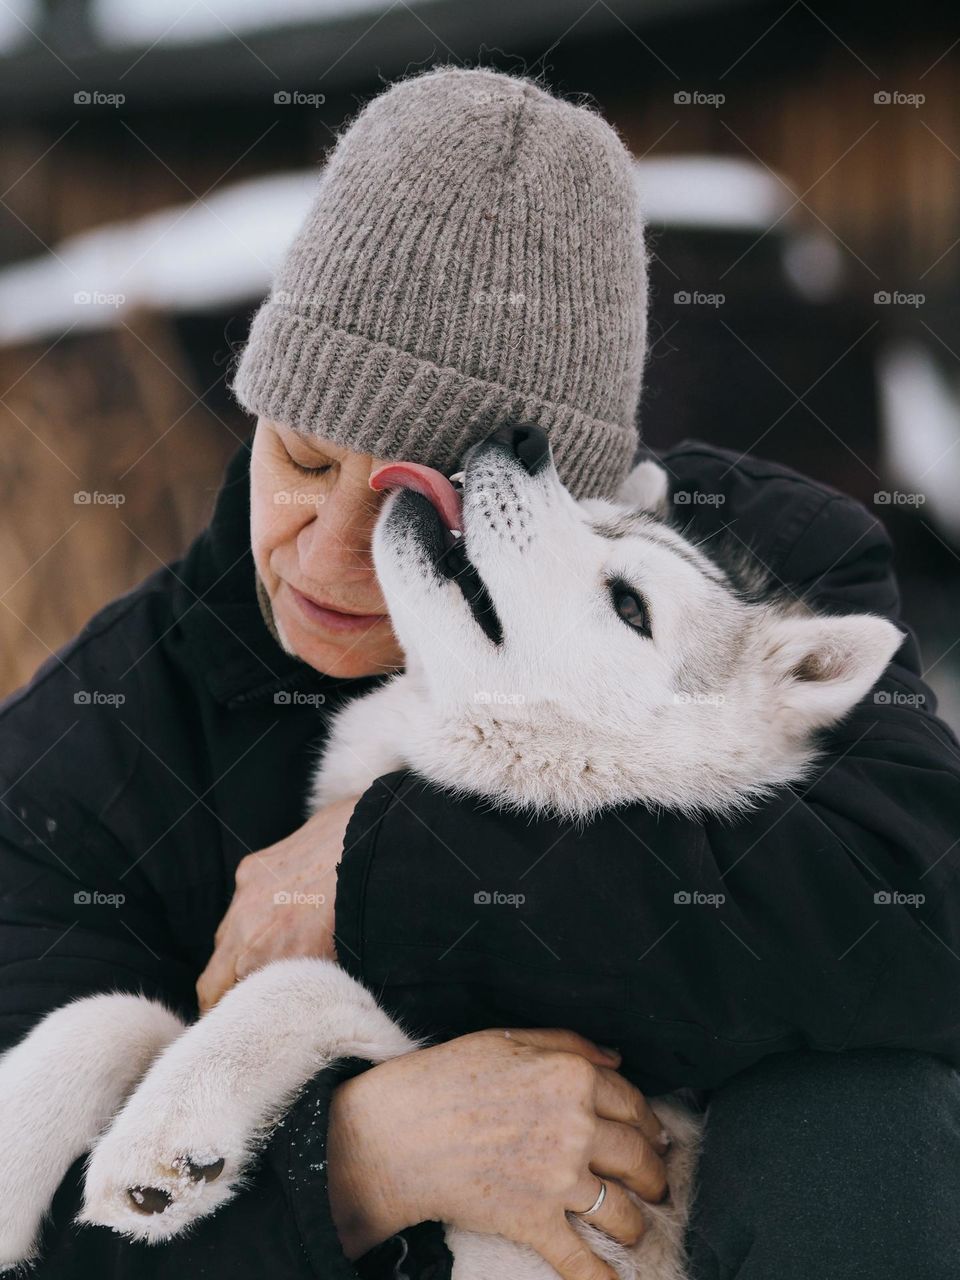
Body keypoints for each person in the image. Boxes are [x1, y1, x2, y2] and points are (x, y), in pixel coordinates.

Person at [1, 65, 959, 1280]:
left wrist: (384, 872)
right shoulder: (92, 752)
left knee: (861, 1110)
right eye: (300, 457)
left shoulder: (755, 560)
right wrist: (358, 1160)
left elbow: (920, 914)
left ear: (557, 497)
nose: (334, 552)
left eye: (416, 499)